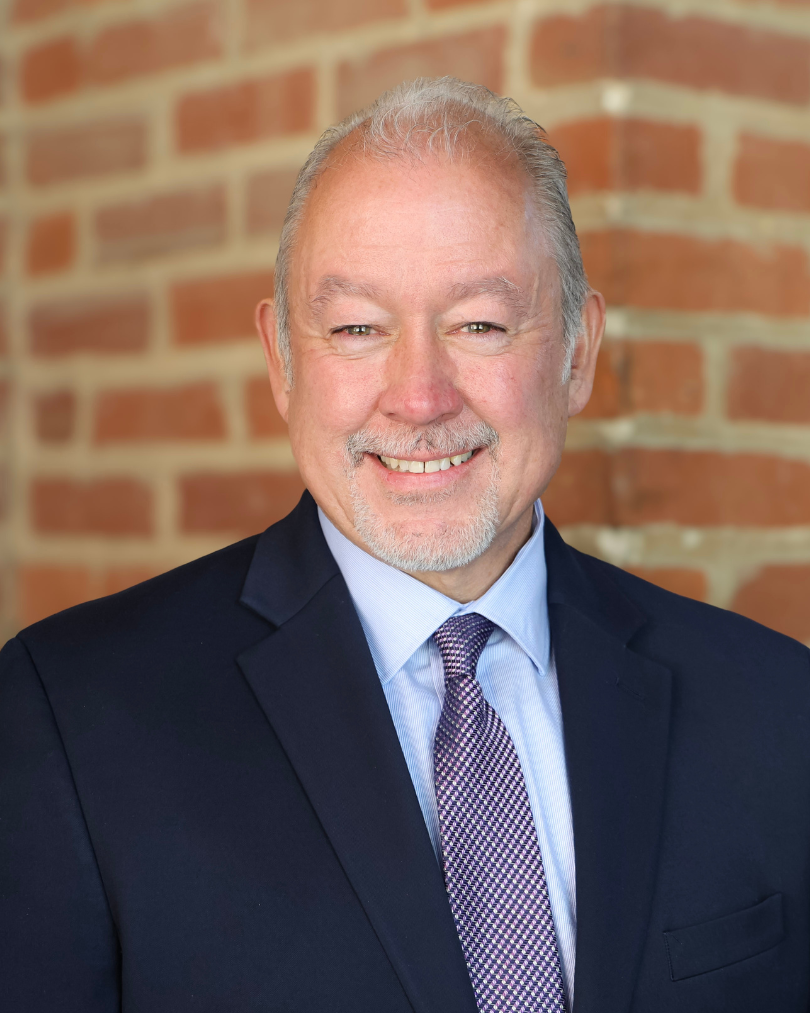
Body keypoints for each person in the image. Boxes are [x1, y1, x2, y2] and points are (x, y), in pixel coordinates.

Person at [1, 77, 808, 1013]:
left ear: (578, 353)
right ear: (283, 361)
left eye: (480, 324)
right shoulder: (67, 718)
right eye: (356, 327)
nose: (420, 397)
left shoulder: (777, 707)